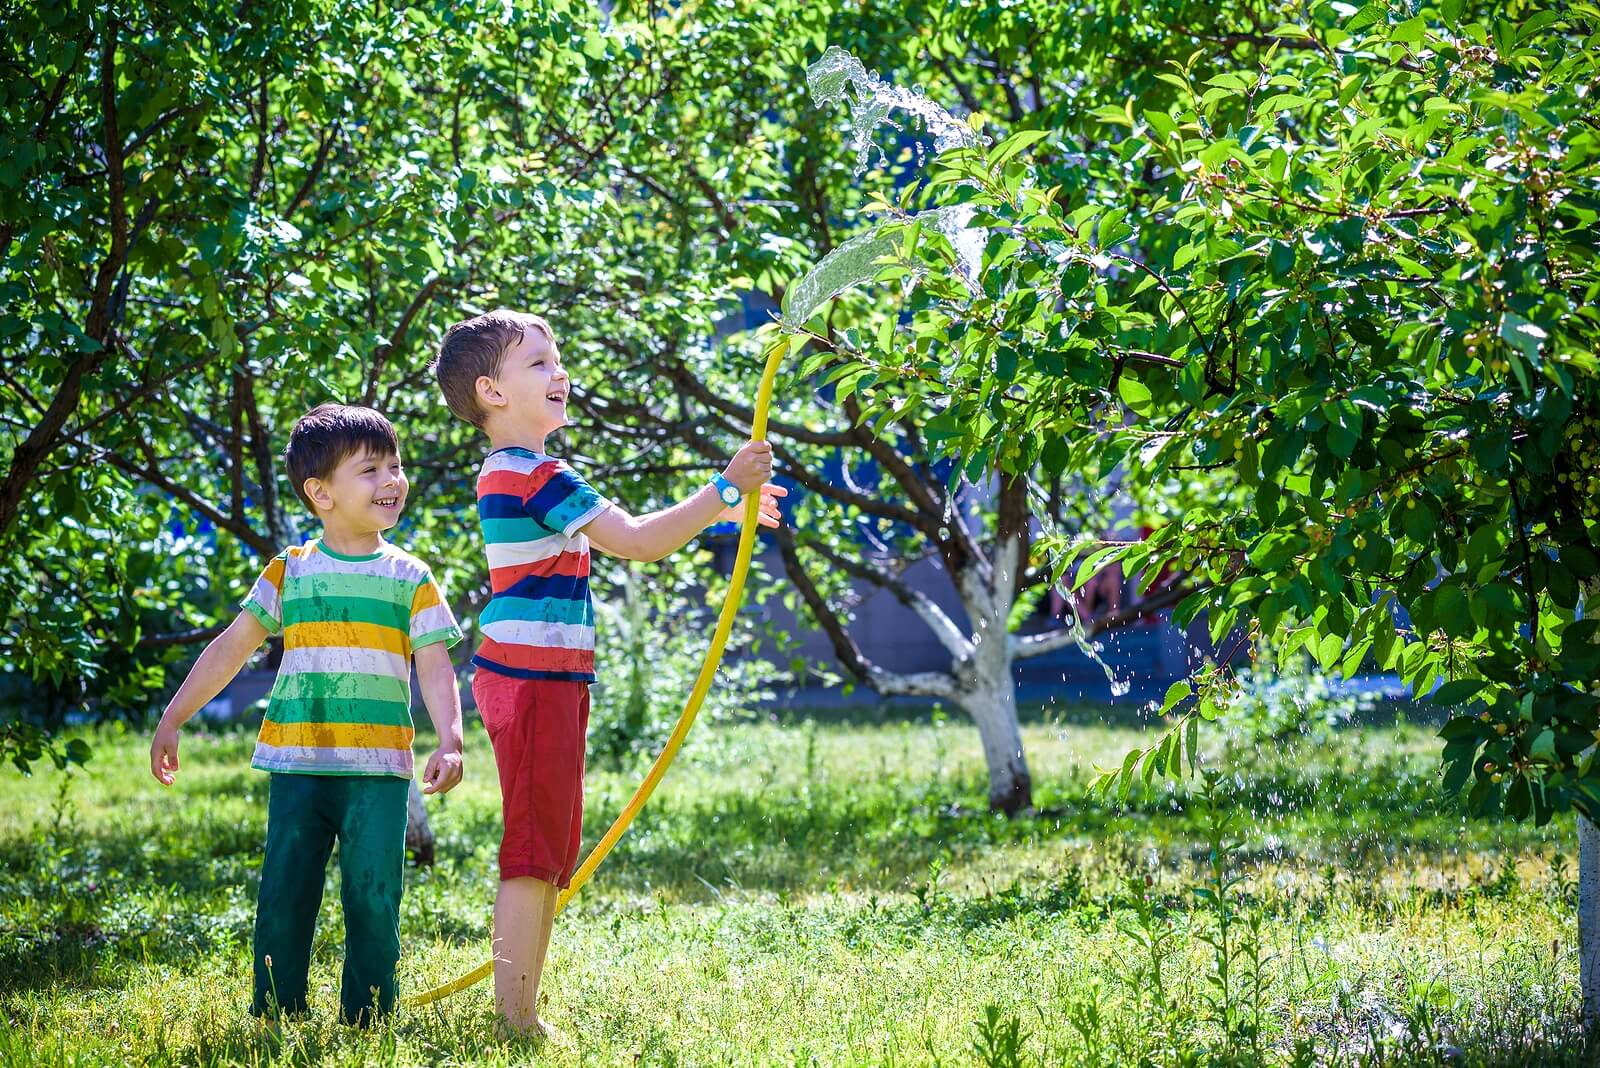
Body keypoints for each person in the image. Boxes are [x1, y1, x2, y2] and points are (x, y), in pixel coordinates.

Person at [432, 309, 785, 1038]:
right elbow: (640, 541)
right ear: (492, 392)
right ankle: (513, 1018)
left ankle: (521, 1008)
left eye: (556, 358)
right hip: (532, 683)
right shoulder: (534, 475)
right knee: (532, 853)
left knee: (549, 849)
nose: (558, 371)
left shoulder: (517, 473)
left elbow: (638, 532)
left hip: (542, 680)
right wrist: (724, 489)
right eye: (538, 363)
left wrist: (725, 508)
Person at [148, 403, 465, 1025]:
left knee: (375, 899)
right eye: (371, 469)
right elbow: (231, 648)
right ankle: (276, 1012)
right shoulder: (290, 572)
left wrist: (450, 738)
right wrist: (173, 717)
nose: (392, 480)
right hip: (298, 766)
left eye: (395, 466)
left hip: (379, 772)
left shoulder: (411, 577)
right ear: (320, 492)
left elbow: (435, 666)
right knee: (285, 895)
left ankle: (369, 1016)